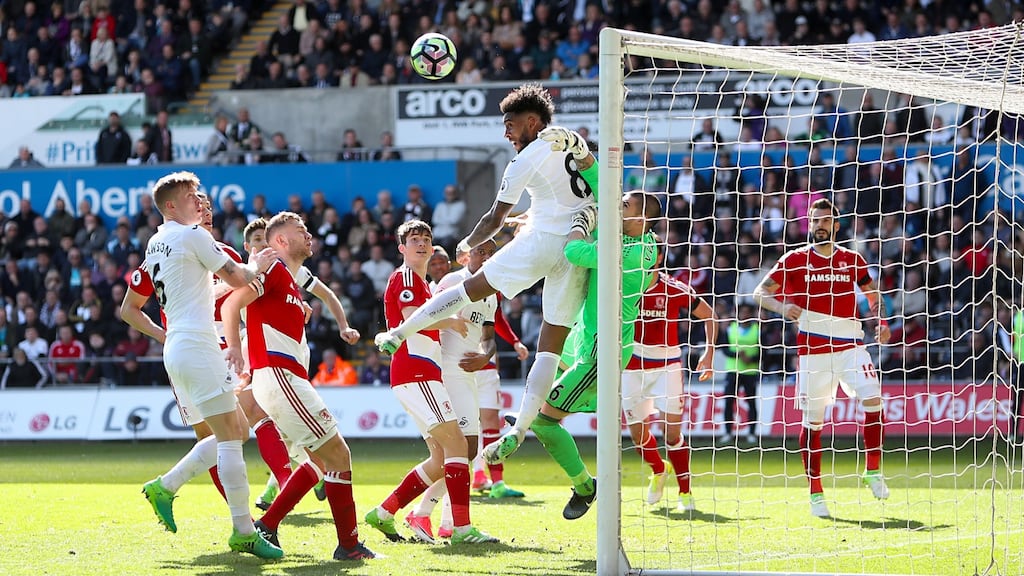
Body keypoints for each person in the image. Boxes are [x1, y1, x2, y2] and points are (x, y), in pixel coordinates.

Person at [375, 84, 598, 467]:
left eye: (510, 125)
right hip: (577, 244)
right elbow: (581, 191)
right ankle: (521, 428)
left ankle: (397, 334)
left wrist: (466, 242)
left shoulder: (524, 159)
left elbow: (492, 219)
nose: (506, 134)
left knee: (467, 289)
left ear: (532, 121)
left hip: (542, 241)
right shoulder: (571, 142)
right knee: (551, 343)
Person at [127, 171, 282, 558]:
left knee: (237, 429)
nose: (200, 202)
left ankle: (167, 485)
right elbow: (238, 275)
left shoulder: (156, 241)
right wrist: (258, 263)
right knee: (231, 435)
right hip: (198, 345)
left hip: (180, 347)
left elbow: (143, 301)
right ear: (169, 206)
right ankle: (243, 530)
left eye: (200, 196)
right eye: (192, 197)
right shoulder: (195, 236)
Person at [222, 211, 377, 561]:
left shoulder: (291, 281)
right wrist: (234, 349)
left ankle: (271, 524)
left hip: (284, 379)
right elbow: (233, 302)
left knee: (322, 461)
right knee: (338, 454)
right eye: (301, 231)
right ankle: (347, 545)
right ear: (280, 241)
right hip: (279, 377)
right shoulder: (274, 269)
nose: (309, 236)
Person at [507, 189, 660, 520]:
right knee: (546, 367)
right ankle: (531, 416)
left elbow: (574, 251)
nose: (616, 209)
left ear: (640, 217)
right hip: (592, 340)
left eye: (623, 206)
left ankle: (585, 485)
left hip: (599, 353)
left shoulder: (623, 252)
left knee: (545, 422)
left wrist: (578, 223)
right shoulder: (649, 244)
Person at [752, 197, 891, 518]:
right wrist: (782, 307)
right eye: (815, 220)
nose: (820, 225)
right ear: (809, 224)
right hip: (813, 353)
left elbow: (872, 293)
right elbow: (760, 293)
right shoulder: (794, 259)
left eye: (826, 220)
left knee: (874, 400)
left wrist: (881, 322)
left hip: (851, 346)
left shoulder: (852, 259)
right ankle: (815, 492)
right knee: (813, 423)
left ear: (836, 226)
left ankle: (872, 469)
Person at [364, 219, 498, 545]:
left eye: (426, 238)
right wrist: (449, 320)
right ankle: (461, 529)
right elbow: (412, 317)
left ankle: (384, 512)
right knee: (458, 447)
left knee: (441, 458)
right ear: (401, 248)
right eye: (414, 240)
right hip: (417, 371)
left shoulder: (423, 283)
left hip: (420, 374)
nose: (421, 244)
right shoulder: (407, 276)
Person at [403, 240, 528, 543]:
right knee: (458, 451)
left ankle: (441, 520)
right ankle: (425, 515)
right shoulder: (452, 281)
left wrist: (486, 355)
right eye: (480, 252)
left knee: (468, 452)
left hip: (469, 375)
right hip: (446, 372)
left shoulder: (491, 292)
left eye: (490, 253)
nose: (486, 257)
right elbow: (426, 314)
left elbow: (488, 337)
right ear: (465, 257)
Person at [622, 245, 715, 512]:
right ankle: (659, 469)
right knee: (638, 436)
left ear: (658, 257)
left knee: (671, 434)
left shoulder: (675, 288)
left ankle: (685, 493)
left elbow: (709, 315)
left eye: (648, 251)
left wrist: (708, 354)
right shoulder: (623, 286)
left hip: (667, 367)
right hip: (631, 367)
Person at [720, 303, 760, 445]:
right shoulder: (730, 329)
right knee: (729, 402)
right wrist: (738, 355)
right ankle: (727, 432)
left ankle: (751, 433)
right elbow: (724, 349)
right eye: (742, 312)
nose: (744, 315)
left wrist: (752, 359)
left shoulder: (757, 330)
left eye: (747, 312)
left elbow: (764, 351)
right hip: (733, 370)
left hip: (750, 371)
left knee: (751, 402)